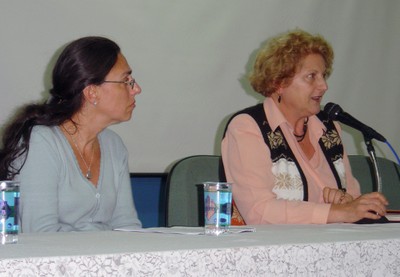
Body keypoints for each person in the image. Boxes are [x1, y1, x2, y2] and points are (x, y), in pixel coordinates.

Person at [222, 29, 388, 224]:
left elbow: (351, 198)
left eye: (324, 75)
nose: (324, 85)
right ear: (279, 83)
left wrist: (348, 202)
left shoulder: (329, 128)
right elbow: (258, 211)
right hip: (272, 249)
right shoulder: (248, 127)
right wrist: (336, 212)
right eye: (311, 76)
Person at [0, 36, 142, 232]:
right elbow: (40, 235)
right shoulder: (41, 142)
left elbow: (127, 226)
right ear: (92, 92)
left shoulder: (114, 145)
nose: (136, 89)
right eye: (126, 81)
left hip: (106, 260)